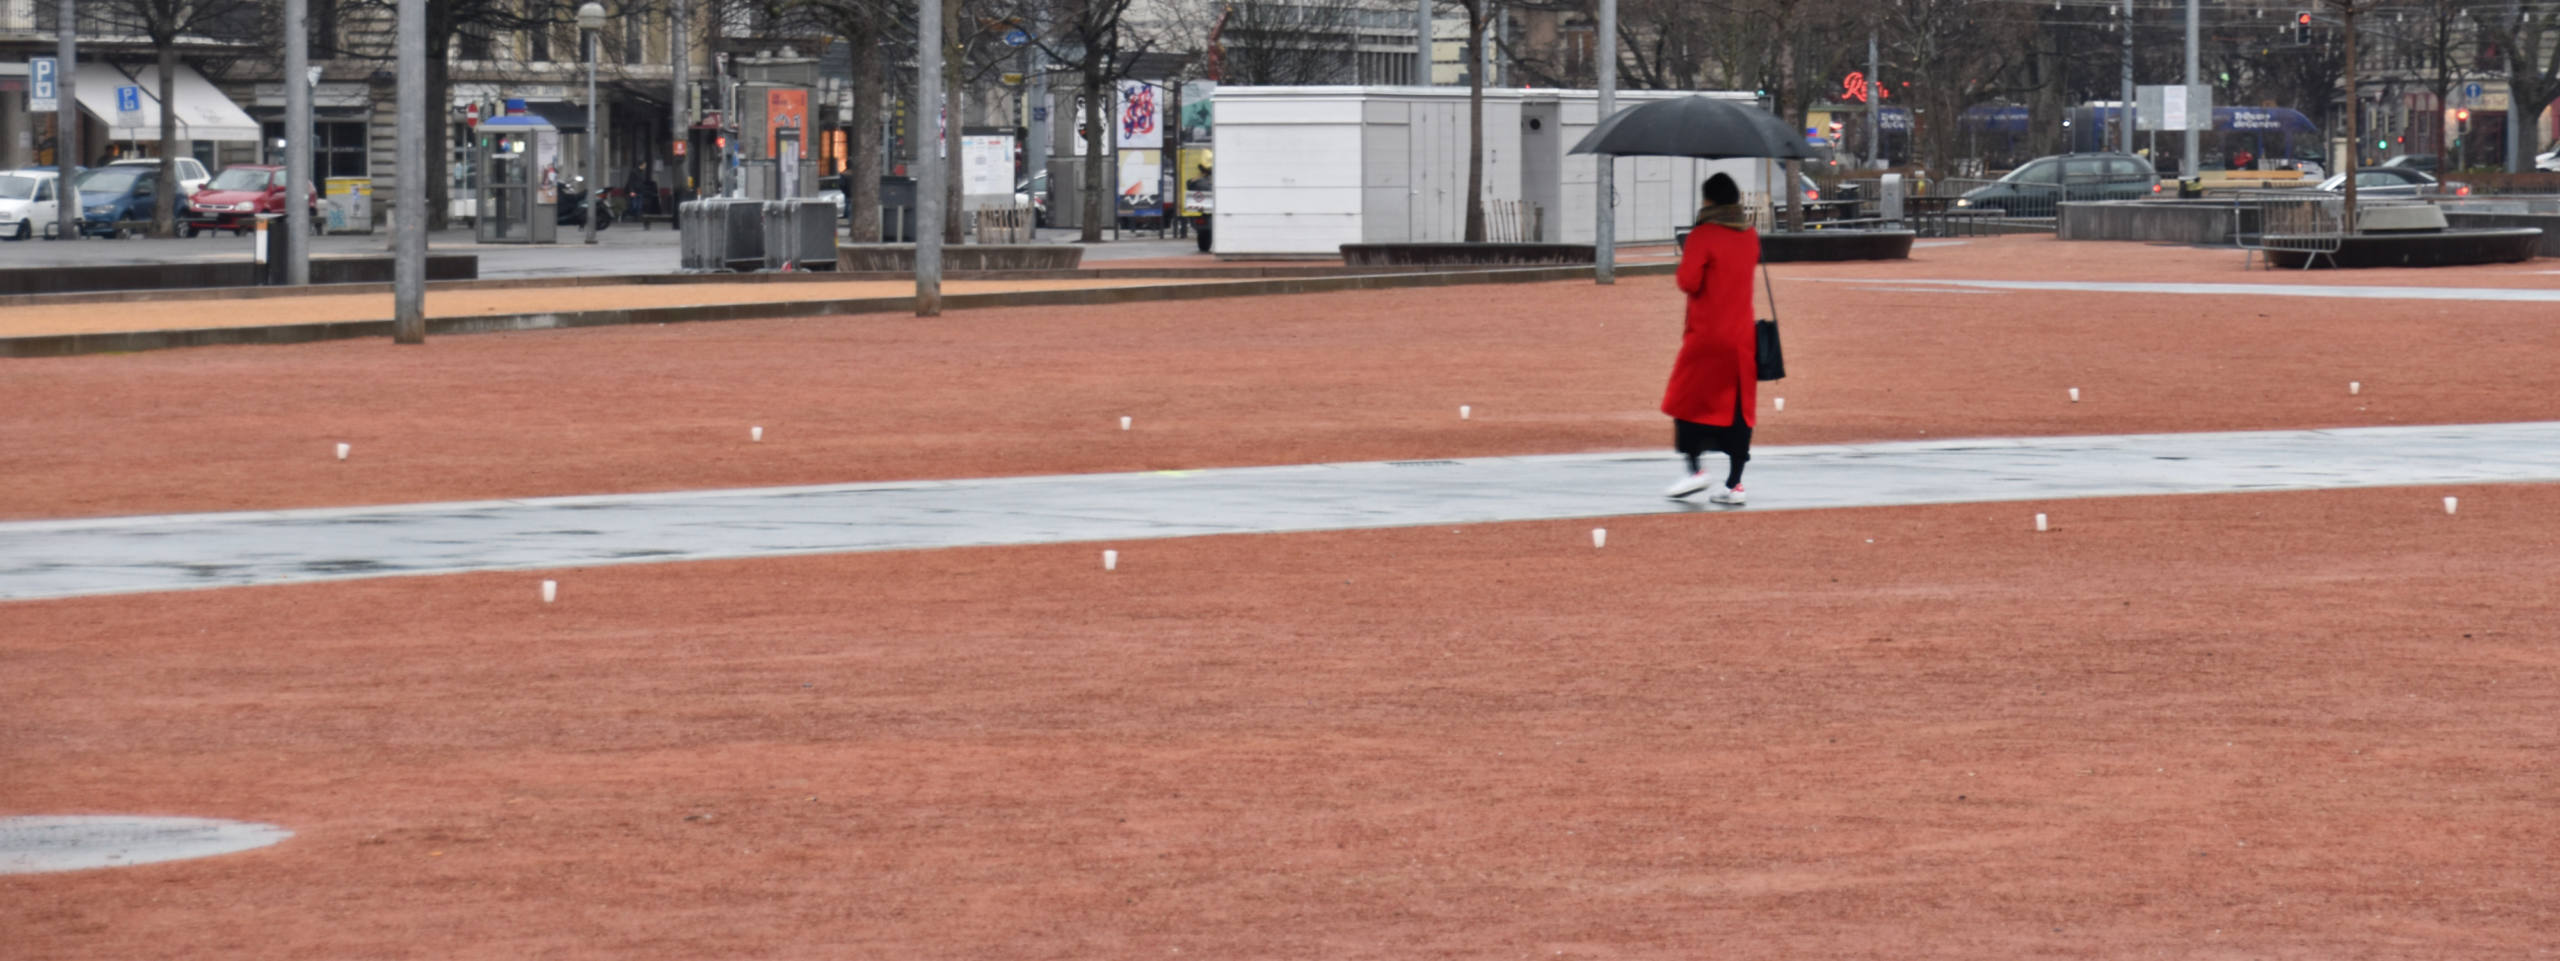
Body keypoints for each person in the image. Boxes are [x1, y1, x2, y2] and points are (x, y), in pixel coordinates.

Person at [1662, 173, 1760, 506]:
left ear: (1708, 201)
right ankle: (1734, 484)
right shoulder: (1750, 235)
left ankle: (1695, 471)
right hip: (1742, 336)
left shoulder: (1702, 235)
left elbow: (1688, 281)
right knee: (1737, 410)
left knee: (1687, 400)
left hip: (1707, 334)